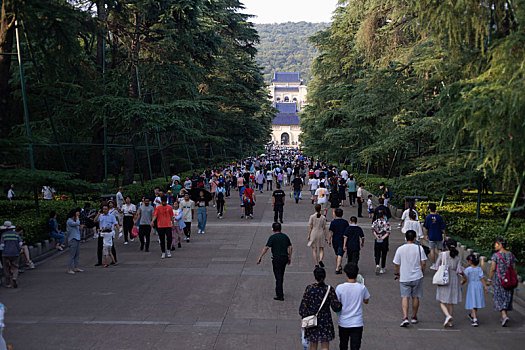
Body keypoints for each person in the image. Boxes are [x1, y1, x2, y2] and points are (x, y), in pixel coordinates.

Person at [299, 267, 342, 350]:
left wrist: (304, 317)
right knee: (325, 345)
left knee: (313, 345)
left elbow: (302, 308)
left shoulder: (309, 288)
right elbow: (336, 307)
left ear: (315, 276)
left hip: (312, 320)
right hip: (325, 320)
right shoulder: (329, 289)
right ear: (324, 276)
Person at [393, 230, 427, 327]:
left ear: (406, 237)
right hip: (417, 276)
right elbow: (424, 263)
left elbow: (396, 263)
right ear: (415, 238)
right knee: (415, 297)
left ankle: (405, 317)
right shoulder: (419, 248)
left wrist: (396, 273)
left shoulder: (400, 249)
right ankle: (414, 316)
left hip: (404, 276)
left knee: (405, 297)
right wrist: (422, 272)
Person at [336, 263, 370, 350]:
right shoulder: (362, 288)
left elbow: (337, 302)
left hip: (343, 321)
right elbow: (366, 300)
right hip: (357, 322)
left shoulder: (340, 288)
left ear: (346, 274)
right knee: (355, 346)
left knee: (343, 345)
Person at [256, 222, 292, 301]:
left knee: (278, 276)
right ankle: (280, 290)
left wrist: (260, 257)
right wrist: (289, 257)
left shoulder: (272, 237)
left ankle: (280, 294)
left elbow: (266, 248)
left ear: (273, 229)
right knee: (281, 274)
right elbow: (290, 247)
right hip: (284, 258)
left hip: (276, 259)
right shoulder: (285, 236)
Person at [487, 237, 517, 327]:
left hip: (499, 280)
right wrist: (514, 279)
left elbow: (492, 269)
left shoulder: (496, 255)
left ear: (500, 244)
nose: (495, 246)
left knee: (498, 297)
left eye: (496, 244)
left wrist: (489, 280)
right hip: (509, 280)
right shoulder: (511, 255)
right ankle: (504, 315)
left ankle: (504, 315)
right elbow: (514, 268)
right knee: (507, 296)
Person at [435, 238, 462, 328]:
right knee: (451, 301)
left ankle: (448, 316)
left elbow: (436, 267)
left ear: (446, 246)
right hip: (454, 278)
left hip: (444, 277)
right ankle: (450, 321)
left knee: (442, 301)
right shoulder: (458, 256)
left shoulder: (442, 254)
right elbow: (459, 270)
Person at [462, 254, 488, 327]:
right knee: (476, 300)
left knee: (473, 301)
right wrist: (485, 287)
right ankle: (472, 315)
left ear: (470, 262)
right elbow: (482, 278)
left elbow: (465, 278)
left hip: (472, 286)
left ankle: (475, 319)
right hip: (479, 285)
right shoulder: (479, 269)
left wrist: (462, 282)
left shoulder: (468, 269)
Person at [423, 203, 446, 270]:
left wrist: (426, 235)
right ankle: (440, 264)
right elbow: (443, 227)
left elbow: (426, 228)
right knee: (440, 250)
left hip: (431, 236)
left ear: (429, 209)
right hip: (438, 236)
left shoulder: (428, 217)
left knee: (432, 250)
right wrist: (444, 235)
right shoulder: (439, 217)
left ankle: (433, 264)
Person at [0, 221, 23, 288]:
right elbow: (20, 243)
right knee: (15, 267)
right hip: (15, 253)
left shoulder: (3, 235)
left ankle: (8, 283)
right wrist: (19, 249)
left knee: (6, 268)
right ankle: (14, 278)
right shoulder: (16, 234)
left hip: (5, 254)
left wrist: (2, 251)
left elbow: (2, 245)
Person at [328, 208, 349, 274]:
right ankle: (338, 267)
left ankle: (338, 267)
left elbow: (330, 232)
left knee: (337, 253)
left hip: (335, 239)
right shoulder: (345, 222)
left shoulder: (333, 222)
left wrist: (329, 240)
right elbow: (347, 232)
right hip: (342, 240)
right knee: (340, 254)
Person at [371, 210, 391, 275]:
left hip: (377, 239)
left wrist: (377, 236)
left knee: (377, 253)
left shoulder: (375, 222)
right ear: (383, 216)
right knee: (384, 253)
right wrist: (383, 237)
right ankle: (383, 267)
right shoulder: (386, 223)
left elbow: (373, 230)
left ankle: (377, 264)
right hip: (384, 240)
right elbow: (388, 232)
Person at [66, 209, 83, 275]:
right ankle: (69, 269)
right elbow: (77, 223)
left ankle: (76, 267)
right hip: (73, 239)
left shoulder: (73, 221)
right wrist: (78, 219)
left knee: (77, 254)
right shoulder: (69, 221)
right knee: (72, 255)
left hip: (77, 238)